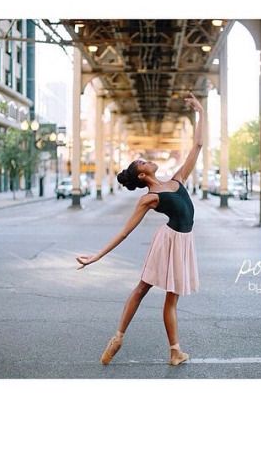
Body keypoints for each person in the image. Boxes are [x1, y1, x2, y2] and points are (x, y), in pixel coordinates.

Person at [76, 92, 204, 366]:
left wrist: (200, 112)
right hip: (168, 242)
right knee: (142, 289)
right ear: (143, 175)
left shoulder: (177, 179)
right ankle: (118, 337)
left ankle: (174, 352)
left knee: (171, 300)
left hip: (183, 242)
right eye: (143, 162)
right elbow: (124, 232)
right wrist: (96, 256)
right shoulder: (149, 198)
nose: (147, 159)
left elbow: (198, 146)